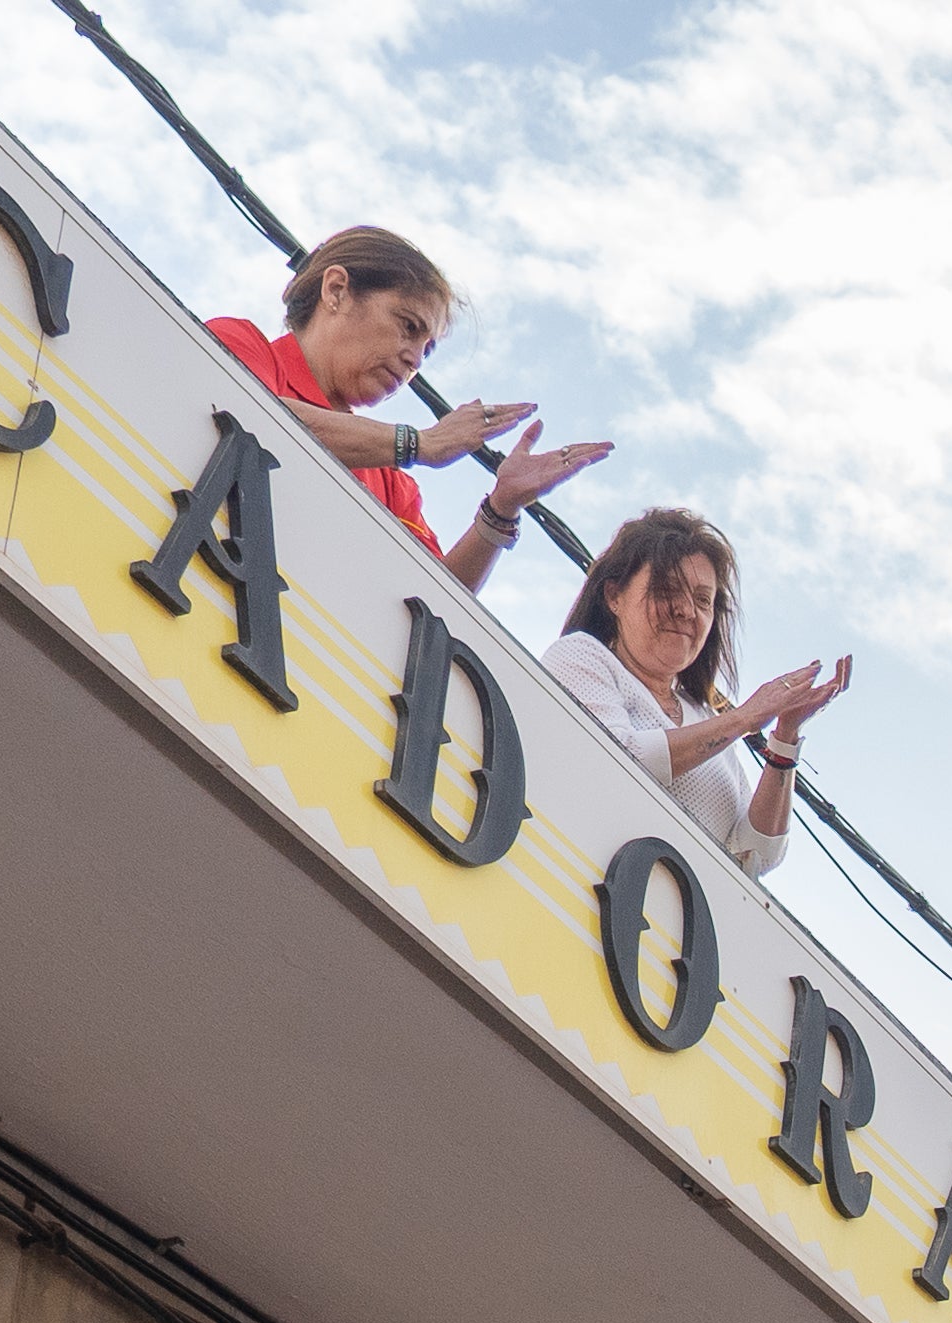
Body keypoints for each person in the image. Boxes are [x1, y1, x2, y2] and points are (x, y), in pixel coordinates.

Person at [201, 223, 604, 593]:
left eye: (428, 350)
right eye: (409, 327)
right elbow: (250, 416)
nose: (415, 361)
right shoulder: (239, 342)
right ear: (336, 290)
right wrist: (419, 445)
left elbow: (432, 604)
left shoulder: (391, 480)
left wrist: (501, 509)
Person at [546, 506, 851, 882]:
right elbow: (615, 757)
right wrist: (742, 719)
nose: (686, 611)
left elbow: (757, 853)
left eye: (703, 600)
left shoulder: (703, 717)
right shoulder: (581, 656)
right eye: (667, 590)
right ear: (614, 596)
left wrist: (785, 738)